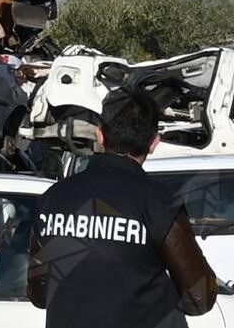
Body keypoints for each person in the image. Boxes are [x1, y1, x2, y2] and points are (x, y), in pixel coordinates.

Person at [27, 90, 217, 328]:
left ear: (99, 135)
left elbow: (39, 292)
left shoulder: (53, 198)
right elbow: (200, 297)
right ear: (154, 143)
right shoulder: (158, 201)